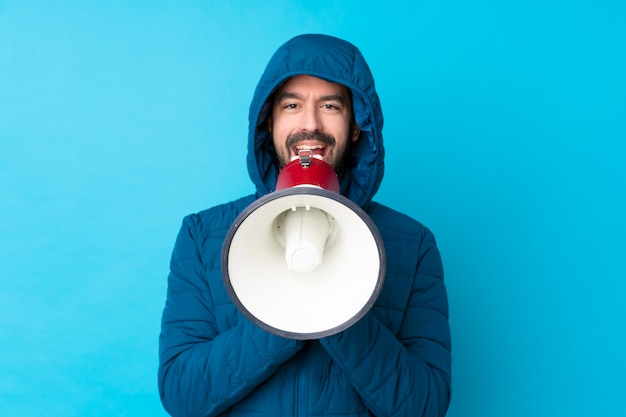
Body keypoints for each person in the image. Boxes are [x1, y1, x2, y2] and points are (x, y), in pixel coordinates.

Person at [158, 34, 452, 417]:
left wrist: (340, 309)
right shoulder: (201, 236)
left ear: (357, 125)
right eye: (292, 105)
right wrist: (281, 311)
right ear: (270, 121)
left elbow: (424, 405)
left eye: (330, 105)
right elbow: (183, 394)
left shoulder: (413, 245)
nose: (310, 124)